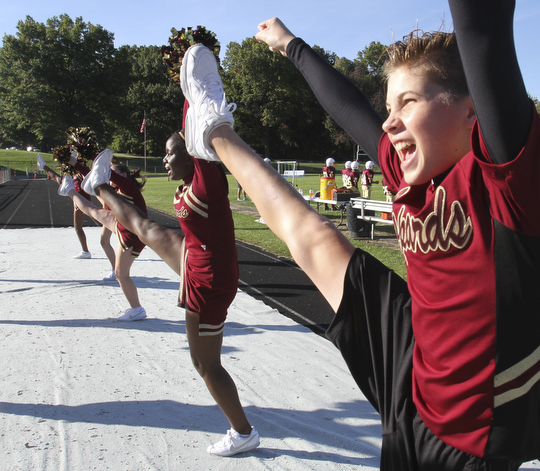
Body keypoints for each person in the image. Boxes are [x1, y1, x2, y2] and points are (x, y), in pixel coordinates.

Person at [179, 0, 540, 465]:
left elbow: (482, 28)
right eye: (390, 105)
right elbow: (350, 108)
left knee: (314, 242)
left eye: (408, 102)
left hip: (470, 430)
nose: (389, 122)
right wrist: (290, 45)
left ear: (473, 112)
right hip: (417, 354)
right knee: (313, 237)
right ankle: (214, 130)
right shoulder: (408, 172)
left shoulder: (508, 179)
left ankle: (216, 134)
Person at [79, 134, 260, 457]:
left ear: (192, 156)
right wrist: (109, 179)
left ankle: (243, 433)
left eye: (169, 154)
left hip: (209, 279)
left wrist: (192, 83)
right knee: (145, 229)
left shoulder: (206, 182)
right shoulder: (190, 180)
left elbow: (195, 124)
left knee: (206, 365)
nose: (164, 160)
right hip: (198, 255)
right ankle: (100, 185)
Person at [46, 151, 148, 322]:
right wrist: (75, 163)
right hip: (123, 226)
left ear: (122, 175)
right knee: (91, 210)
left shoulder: (128, 186)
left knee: (121, 274)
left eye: (113, 173)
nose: (109, 177)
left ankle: (137, 309)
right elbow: (96, 177)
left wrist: (89, 163)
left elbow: (103, 175)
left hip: (132, 235)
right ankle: (69, 190)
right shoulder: (114, 188)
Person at [37, 153, 92, 259]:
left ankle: (85, 251)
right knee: (59, 179)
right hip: (76, 195)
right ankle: (43, 165)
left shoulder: (81, 171)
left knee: (79, 226)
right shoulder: (73, 173)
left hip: (81, 200)